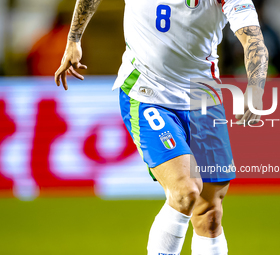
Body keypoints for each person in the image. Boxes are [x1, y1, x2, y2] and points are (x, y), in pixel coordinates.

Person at [55, 0, 268, 254]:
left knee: (209, 214)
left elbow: (253, 40)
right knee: (185, 191)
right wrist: (74, 39)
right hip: (147, 93)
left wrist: (256, 89)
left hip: (203, 99)